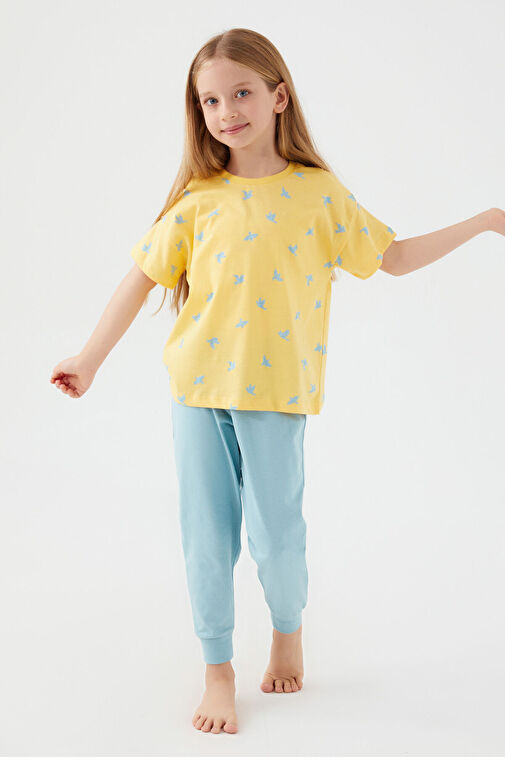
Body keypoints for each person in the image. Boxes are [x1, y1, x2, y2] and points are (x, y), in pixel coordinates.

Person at [50, 28, 505, 735]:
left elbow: (391, 257)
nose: (226, 110)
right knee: (206, 538)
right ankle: (217, 669)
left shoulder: (317, 195)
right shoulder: (198, 199)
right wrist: (88, 358)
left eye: (241, 93)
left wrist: (485, 221)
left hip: (275, 395)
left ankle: (287, 629)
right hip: (197, 392)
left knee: (278, 538)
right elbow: (140, 278)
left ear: (278, 97)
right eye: (210, 100)